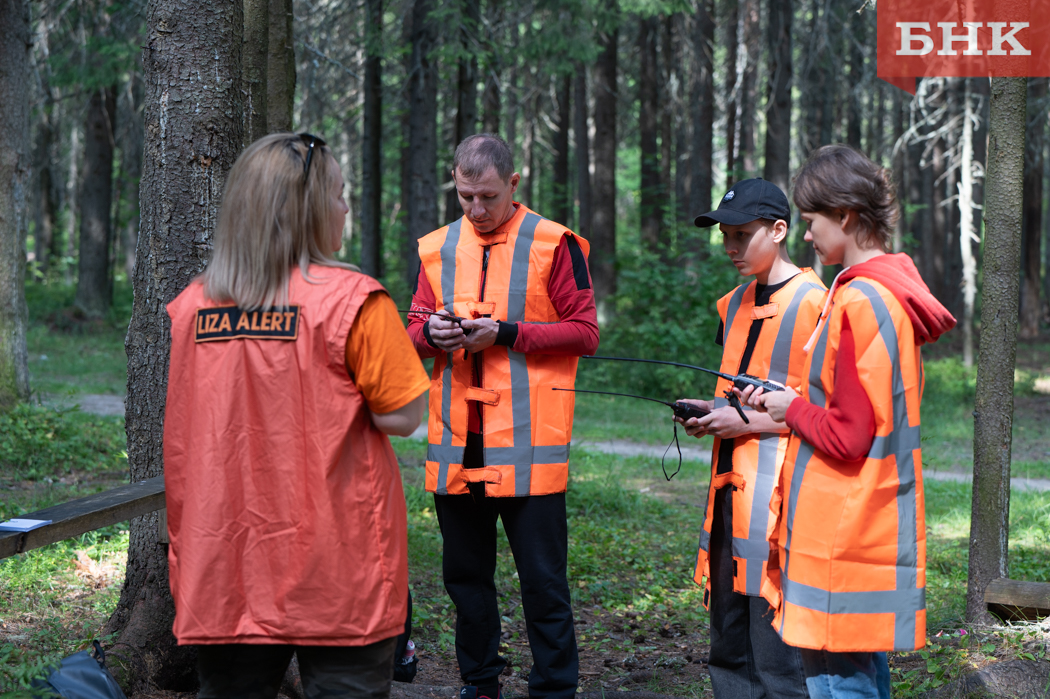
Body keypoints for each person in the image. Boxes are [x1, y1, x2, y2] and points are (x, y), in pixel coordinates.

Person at [163, 132, 431, 699]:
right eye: (338, 194)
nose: (345, 207)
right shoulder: (353, 301)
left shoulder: (191, 308)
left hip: (223, 566)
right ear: (308, 211)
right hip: (339, 568)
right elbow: (404, 416)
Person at [742, 145, 956, 699]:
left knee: (839, 683)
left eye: (812, 222)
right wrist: (789, 399)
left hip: (842, 530)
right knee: (858, 676)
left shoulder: (862, 300)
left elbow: (850, 434)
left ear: (846, 217)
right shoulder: (881, 293)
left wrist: (791, 410)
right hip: (859, 523)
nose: (807, 236)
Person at [407, 133, 599, 699]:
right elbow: (414, 327)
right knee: (465, 582)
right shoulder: (437, 248)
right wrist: (431, 334)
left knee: (543, 584)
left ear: (514, 184)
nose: (476, 210)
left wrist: (507, 333)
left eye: (487, 196)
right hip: (456, 446)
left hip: (528, 448)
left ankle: (555, 689)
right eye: (465, 196)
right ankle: (481, 684)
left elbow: (585, 332)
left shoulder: (554, 243)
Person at [679, 178, 826, 698]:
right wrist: (710, 410)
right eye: (725, 236)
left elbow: (829, 414)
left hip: (784, 505)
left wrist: (743, 423)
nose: (732, 248)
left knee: (776, 654)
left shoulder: (817, 303)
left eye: (743, 234)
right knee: (727, 641)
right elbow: (741, 394)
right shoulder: (734, 303)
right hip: (728, 494)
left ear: (780, 229)